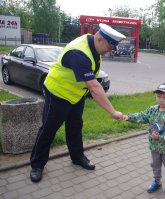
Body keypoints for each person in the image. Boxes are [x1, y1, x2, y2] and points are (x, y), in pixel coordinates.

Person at [30, 23, 126, 183]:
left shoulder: (94, 46)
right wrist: (112, 112)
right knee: (48, 129)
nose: (111, 50)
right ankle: (37, 164)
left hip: (75, 95)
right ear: (100, 39)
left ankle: (77, 157)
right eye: (110, 46)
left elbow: (91, 83)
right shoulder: (79, 52)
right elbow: (94, 87)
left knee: (75, 127)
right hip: (58, 93)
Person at [123, 83, 165, 196]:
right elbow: (142, 116)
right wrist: (129, 117)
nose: (161, 100)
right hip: (154, 147)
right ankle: (157, 182)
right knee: (155, 165)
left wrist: (161, 137)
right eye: (159, 97)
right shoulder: (152, 110)